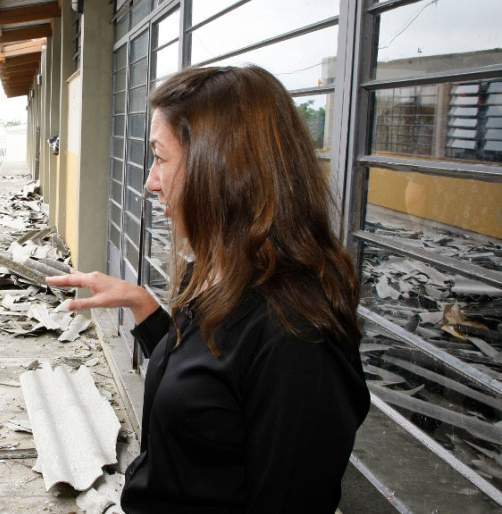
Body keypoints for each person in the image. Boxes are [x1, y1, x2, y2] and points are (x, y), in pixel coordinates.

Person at [47, 65, 370, 512]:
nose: (149, 181)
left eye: (160, 157)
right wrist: (142, 305)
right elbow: (209, 394)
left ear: (219, 169)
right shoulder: (224, 274)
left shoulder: (297, 339)